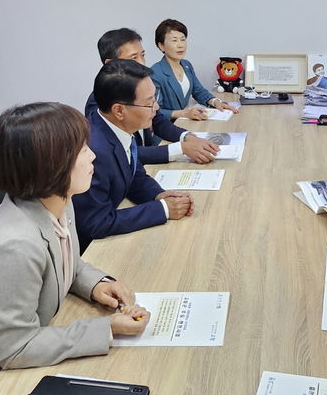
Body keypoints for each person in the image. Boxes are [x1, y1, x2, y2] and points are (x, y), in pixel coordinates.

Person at [0, 103, 150, 395]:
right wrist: (107, 328)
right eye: (81, 150)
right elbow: (16, 348)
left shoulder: (59, 200)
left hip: (30, 344)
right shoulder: (12, 247)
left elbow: (65, 260)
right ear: (51, 166)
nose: (93, 155)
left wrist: (96, 283)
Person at [72, 59, 194, 251]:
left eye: (155, 98)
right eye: (149, 103)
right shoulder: (94, 151)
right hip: (92, 251)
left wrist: (158, 195)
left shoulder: (116, 126)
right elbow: (96, 222)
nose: (155, 108)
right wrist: (162, 210)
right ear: (119, 110)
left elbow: (134, 174)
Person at [85, 28, 220, 164]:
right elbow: (124, 153)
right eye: (133, 58)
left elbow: (159, 121)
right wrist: (180, 149)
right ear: (110, 63)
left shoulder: (142, 88)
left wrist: (187, 136)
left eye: (142, 55)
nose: (142, 63)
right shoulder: (97, 103)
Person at [150, 18, 239, 121]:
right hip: (165, 129)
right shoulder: (155, 73)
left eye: (183, 39)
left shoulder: (186, 65)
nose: (180, 45)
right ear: (161, 46)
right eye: (174, 40)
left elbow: (198, 91)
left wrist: (215, 102)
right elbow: (154, 111)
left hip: (184, 123)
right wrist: (183, 113)